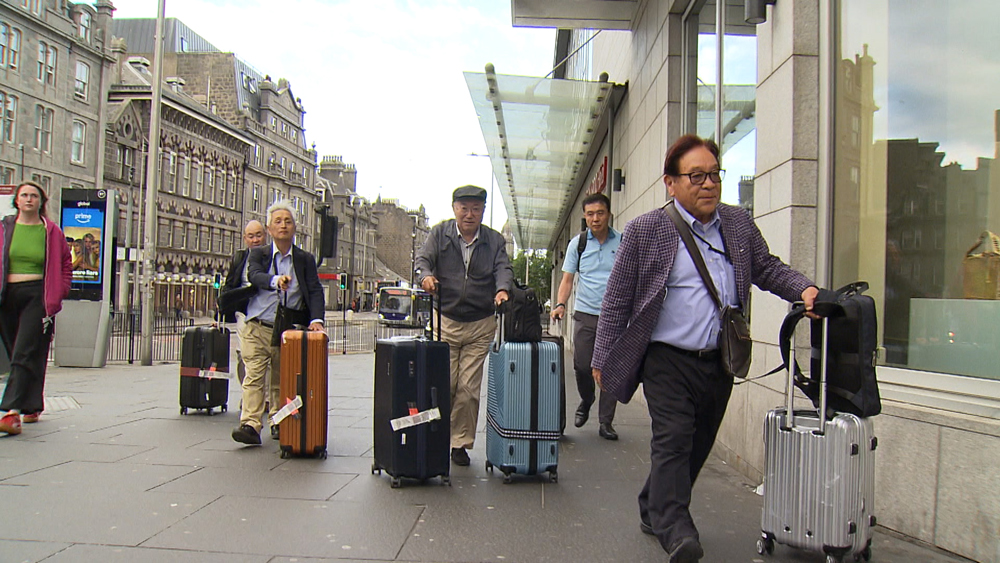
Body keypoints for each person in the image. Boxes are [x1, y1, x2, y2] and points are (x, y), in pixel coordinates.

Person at [591, 135, 819, 563]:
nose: (709, 184)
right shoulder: (646, 229)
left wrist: (804, 289)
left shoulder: (737, 223)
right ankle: (677, 530)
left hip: (719, 361)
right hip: (666, 359)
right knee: (673, 440)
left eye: (714, 174)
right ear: (671, 182)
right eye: (696, 176)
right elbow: (617, 297)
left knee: (697, 445)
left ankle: (653, 504)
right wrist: (602, 356)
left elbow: (766, 267)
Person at [414, 185, 513, 466]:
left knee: (468, 388)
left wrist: (502, 289)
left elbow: (503, 268)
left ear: (483, 211)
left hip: (480, 323)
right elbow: (423, 260)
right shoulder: (439, 233)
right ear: (454, 208)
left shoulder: (494, 240)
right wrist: (426, 276)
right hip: (445, 320)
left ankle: (459, 443)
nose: (470, 214)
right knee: (445, 383)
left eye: (476, 209)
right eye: (464, 208)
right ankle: (437, 436)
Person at [231, 201, 325, 445]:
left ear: (295, 228)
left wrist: (316, 320)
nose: (283, 225)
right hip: (256, 325)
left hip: (286, 329)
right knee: (254, 374)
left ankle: (278, 420)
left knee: (280, 378)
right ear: (269, 229)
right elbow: (255, 276)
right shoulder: (258, 254)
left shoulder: (304, 259)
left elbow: (315, 290)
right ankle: (250, 424)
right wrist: (275, 280)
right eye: (278, 221)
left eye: (288, 221)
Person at [0, 182, 73, 435]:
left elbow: (66, 263)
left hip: (38, 296)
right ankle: (32, 404)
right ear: (17, 200)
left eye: (34, 196)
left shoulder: (51, 231)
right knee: (19, 352)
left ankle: (11, 412)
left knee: (23, 351)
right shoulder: (4, 228)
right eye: (24, 195)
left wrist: (59, 292)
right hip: (6, 295)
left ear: (41, 201)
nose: (29, 199)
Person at [551, 192, 621, 440]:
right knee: (582, 365)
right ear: (584, 216)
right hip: (585, 313)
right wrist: (560, 304)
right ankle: (587, 398)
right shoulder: (578, 244)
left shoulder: (622, 242)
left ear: (609, 214)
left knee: (611, 368)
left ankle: (606, 421)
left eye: (600, 213)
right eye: (590, 214)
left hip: (614, 316)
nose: (595, 219)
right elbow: (567, 279)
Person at [217, 220, 267, 387]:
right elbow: (230, 285)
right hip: (244, 313)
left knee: (264, 356)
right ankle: (248, 392)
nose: (255, 240)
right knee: (244, 355)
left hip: (265, 312)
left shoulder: (271, 257)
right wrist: (221, 312)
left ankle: (263, 395)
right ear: (245, 238)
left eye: (258, 235)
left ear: (265, 235)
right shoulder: (239, 258)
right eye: (251, 236)